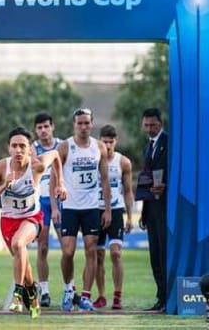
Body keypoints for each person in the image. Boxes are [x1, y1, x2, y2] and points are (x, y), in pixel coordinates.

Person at [0, 127, 65, 318]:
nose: (18, 150)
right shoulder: (1, 168)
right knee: (22, 259)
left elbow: (55, 154)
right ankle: (32, 293)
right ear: (8, 148)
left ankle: (18, 295)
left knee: (19, 243)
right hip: (8, 220)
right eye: (14, 146)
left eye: (22, 146)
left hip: (31, 218)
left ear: (29, 149)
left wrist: (60, 182)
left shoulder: (37, 165)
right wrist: (4, 185)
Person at [52, 108, 112, 312]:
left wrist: (108, 209)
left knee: (91, 249)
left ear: (92, 124)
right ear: (74, 124)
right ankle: (69, 289)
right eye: (80, 123)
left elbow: (105, 179)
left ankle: (86, 295)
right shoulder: (65, 147)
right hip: (69, 207)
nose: (84, 126)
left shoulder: (99, 147)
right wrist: (54, 207)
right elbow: (53, 178)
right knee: (67, 251)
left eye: (87, 123)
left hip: (91, 207)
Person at [93, 125, 134, 310]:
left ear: (116, 141)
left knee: (116, 253)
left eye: (111, 141)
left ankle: (117, 296)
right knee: (98, 256)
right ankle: (101, 296)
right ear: (99, 140)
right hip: (95, 210)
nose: (108, 145)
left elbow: (127, 190)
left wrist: (130, 216)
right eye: (104, 141)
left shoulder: (123, 162)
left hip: (116, 210)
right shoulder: (92, 159)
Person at [138, 107, 168, 312]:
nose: (149, 129)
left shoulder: (170, 142)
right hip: (152, 208)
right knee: (155, 255)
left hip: (167, 208)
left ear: (161, 123)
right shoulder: (147, 147)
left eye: (153, 125)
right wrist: (143, 212)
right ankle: (161, 297)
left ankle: (168, 297)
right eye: (146, 125)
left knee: (165, 254)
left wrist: (167, 185)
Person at [31, 112, 63, 307]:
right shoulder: (32, 149)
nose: (43, 130)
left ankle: (70, 288)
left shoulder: (62, 146)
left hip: (61, 201)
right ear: (36, 130)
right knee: (42, 247)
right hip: (40, 201)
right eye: (39, 127)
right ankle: (44, 291)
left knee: (67, 248)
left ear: (52, 127)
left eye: (46, 126)